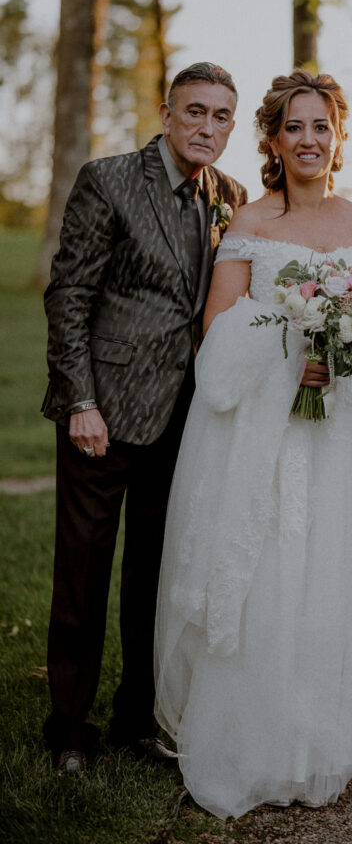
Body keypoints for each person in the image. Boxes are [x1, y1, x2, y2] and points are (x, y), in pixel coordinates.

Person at [154, 70, 352, 820]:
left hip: (341, 432)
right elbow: (217, 331)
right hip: (264, 433)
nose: (309, 141)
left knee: (326, 577)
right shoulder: (248, 223)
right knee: (264, 578)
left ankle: (312, 745)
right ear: (272, 140)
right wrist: (293, 345)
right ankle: (246, 746)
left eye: (321, 127)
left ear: (339, 137)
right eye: (295, 128)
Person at [42, 62, 247, 774]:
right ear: (166, 113)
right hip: (103, 414)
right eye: (195, 112)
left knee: (154, 578)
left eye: (221, 116)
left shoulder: (229, 195)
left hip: (184, 420)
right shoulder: (110, 179)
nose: (207, 127)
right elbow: (68, 294)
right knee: (83, 575)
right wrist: (81, 402)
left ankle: (134, 719)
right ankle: (67, 727)